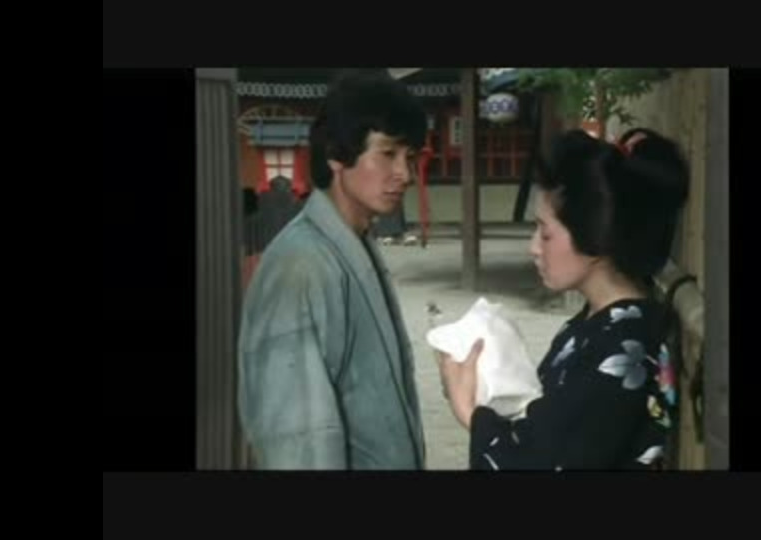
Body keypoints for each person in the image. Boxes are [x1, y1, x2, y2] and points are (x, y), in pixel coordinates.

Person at [437, 128, 689, 470]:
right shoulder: (608, 323)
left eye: (545, 233)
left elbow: (543, 462)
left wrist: (468, 408)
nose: (533, 248)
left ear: (594, 234)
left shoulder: (623, 345)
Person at [237, 72, 427, 469]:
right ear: (337, 154)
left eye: (409, 157)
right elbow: (296, 440)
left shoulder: (353, 242)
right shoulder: (300, 264)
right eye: (388, 154)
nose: (405, 174)